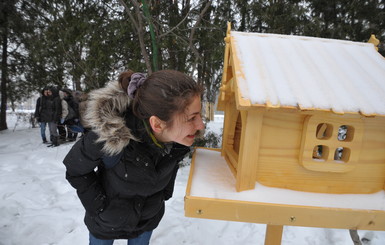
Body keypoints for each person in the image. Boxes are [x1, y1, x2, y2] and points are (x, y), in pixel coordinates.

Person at [63, 70, 205, 245]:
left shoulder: (178, 141)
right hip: (106, 223)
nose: (200, 125)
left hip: (146, 222)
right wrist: (99, 207)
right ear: (157, 124)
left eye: (199, 115)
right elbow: (75, 170)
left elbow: (171, 163)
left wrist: (164, 194)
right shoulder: (110, 136)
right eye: (192, 118)